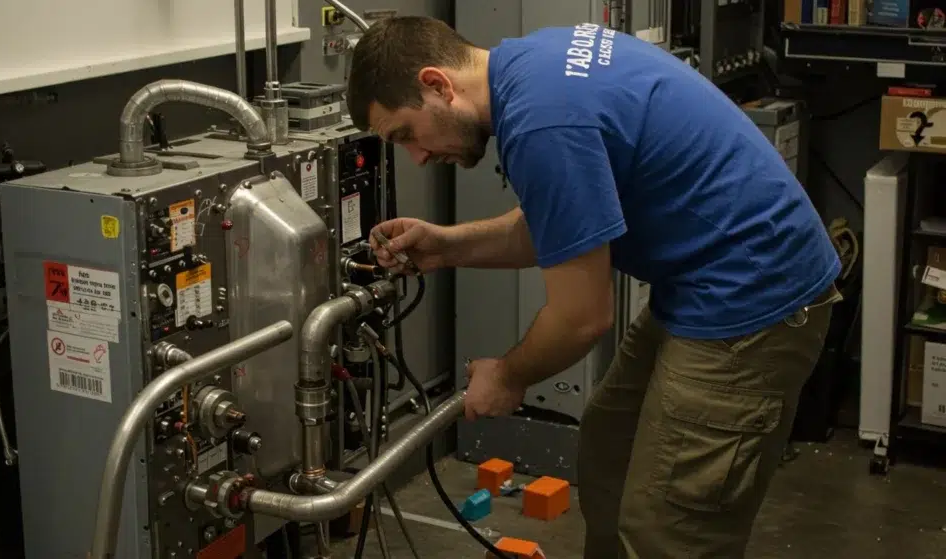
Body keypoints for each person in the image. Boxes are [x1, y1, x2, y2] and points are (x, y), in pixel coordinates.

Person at [348, 15, 842, 558]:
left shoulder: (541, 122)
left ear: (437, 85)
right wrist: (449, 245)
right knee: (611, 451)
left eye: (405, 135)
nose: (416, 157)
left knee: (670, 527)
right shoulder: (534, 64)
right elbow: (567, 221)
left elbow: (582, 318)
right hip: (704, 282)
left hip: (752, 301)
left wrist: (508, 376)